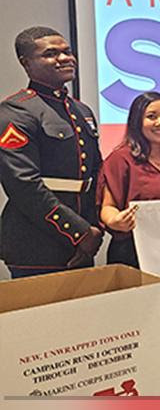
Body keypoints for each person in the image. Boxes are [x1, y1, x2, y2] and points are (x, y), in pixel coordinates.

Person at [0, 26, 102, 278]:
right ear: (26, 63)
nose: (65, 58)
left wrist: (95, 228)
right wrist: (78, 231)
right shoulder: (16, 111)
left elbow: (96, 175)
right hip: (36, 240)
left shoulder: (82, 111)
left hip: (85, 238)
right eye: (51, 54)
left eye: (67, 51)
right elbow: (23, 185)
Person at [98, 92, 160, 268]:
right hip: (133, 252)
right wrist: (116, 221)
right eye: (151, 117)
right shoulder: (121, 158)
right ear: (137, 121)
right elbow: (108, 207)